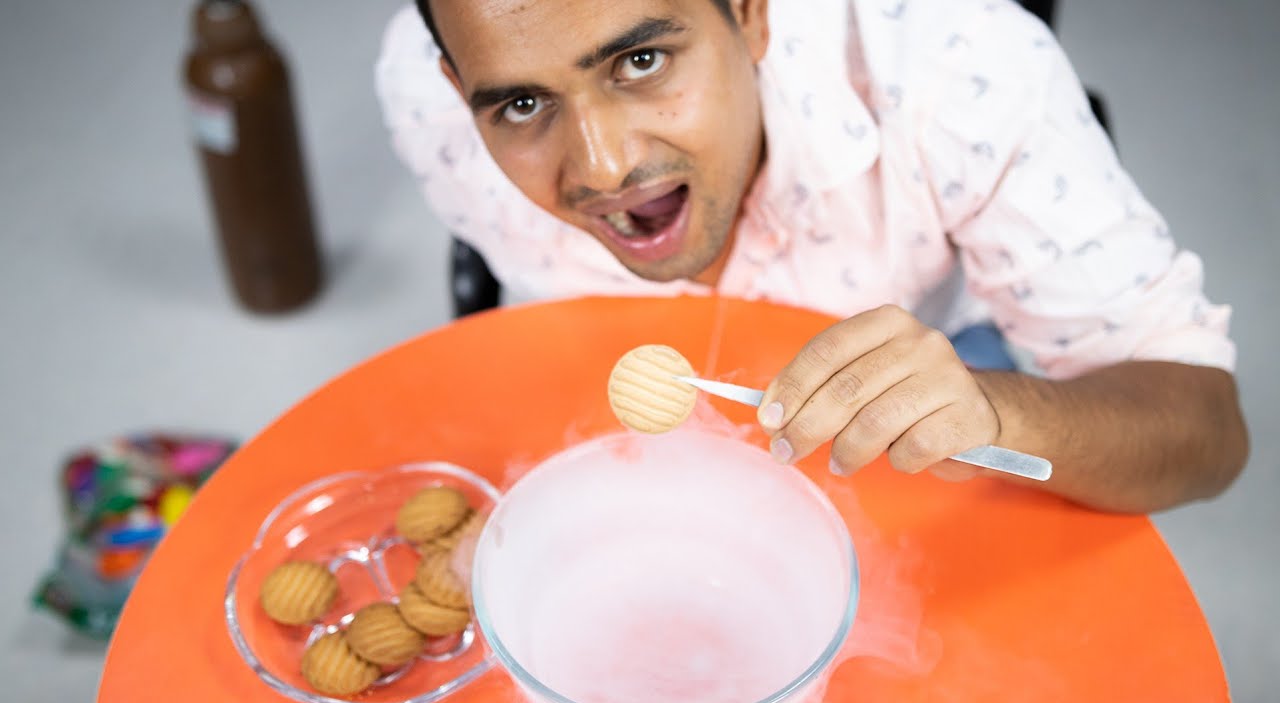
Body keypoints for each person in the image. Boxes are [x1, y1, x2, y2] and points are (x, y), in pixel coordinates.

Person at [375, 0, 1248, 513]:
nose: (604, 170)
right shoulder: (424, 99)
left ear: (750, 14)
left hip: (919, 376)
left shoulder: (957, 68)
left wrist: (997, 412)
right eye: (523, 106)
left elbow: (1208, 430)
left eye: (641, 60)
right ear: (460, 89)